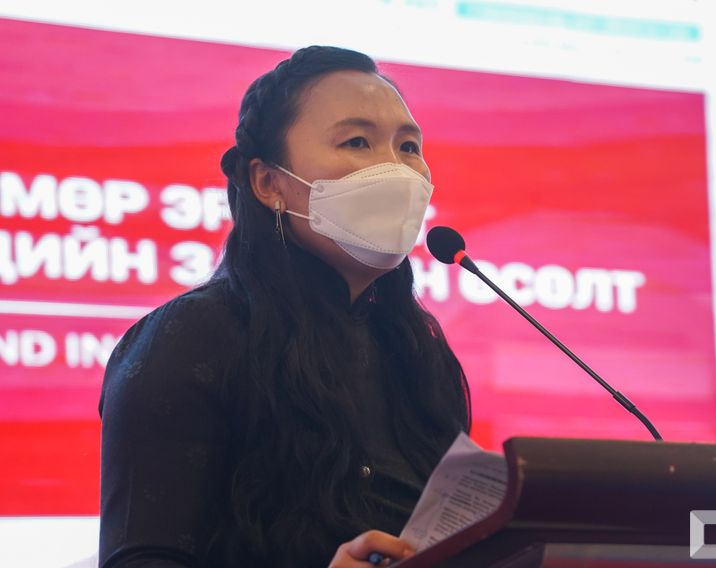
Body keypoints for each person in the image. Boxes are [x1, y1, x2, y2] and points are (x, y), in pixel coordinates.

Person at [98, 45, 471, 567]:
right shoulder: (193, 337)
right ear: (268, 183)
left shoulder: (417, 355)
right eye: (357, 141)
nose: (395, 169)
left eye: (409, 147)